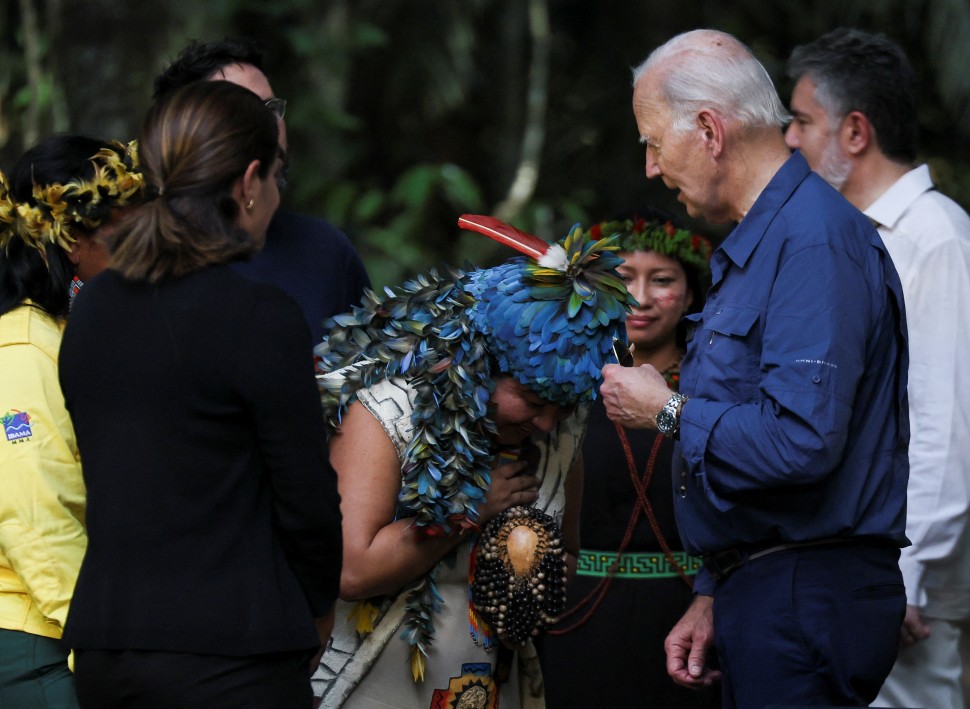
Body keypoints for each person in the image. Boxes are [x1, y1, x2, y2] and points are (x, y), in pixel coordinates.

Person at [599, 29, 911, 707]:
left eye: (654, 142)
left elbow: (801, 441)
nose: (651, 166)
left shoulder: (813, 240)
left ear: (710, 130)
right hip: (770, 584)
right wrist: (716, 588)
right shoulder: (762, 241)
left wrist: (667, 410)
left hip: (808, 592)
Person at [57, 80, 342, 708]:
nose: (273, 196)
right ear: (248, 182)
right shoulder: (257, 316)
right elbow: (306, 500)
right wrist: (316, 608)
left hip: (108, 650)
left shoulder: (94, 308)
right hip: (229, 654)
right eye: (274, 177)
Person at [311, 218, 633, 708]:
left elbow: (569, 553)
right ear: (477, 365)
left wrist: (530, 573)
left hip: (495, 684)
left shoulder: (562, 431)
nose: (547, 424)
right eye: (530, 399)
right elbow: (350, 571)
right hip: (375, 680)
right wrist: (470, 511)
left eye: (562, 405)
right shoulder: (387, 414)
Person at [786, 28, 970, 709]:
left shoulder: (937, 237)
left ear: (854, 131)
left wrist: (901, 575)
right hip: (841, 571)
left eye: (801, 121)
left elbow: (951, 426)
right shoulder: (850, 236)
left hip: (895, 587)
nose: (789, 140)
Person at [539, 211, 720, 708]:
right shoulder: (567, 385)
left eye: (661, 280)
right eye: (623, 279)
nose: (639, 298)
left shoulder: (714, 389)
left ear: (689, 294)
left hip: (691, 615)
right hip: (579, 616)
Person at [0, 135, 143, 709]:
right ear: (72, 239)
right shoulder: (25, 351)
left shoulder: (60, 336)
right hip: (38, 641)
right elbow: (34, 517)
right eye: (122, 234)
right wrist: (100, 645)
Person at [153, 36, 371, 347]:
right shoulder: (142, 259)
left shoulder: (325, 251)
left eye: (272, 108)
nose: (269, 126)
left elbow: (375, 376)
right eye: (246, 111)